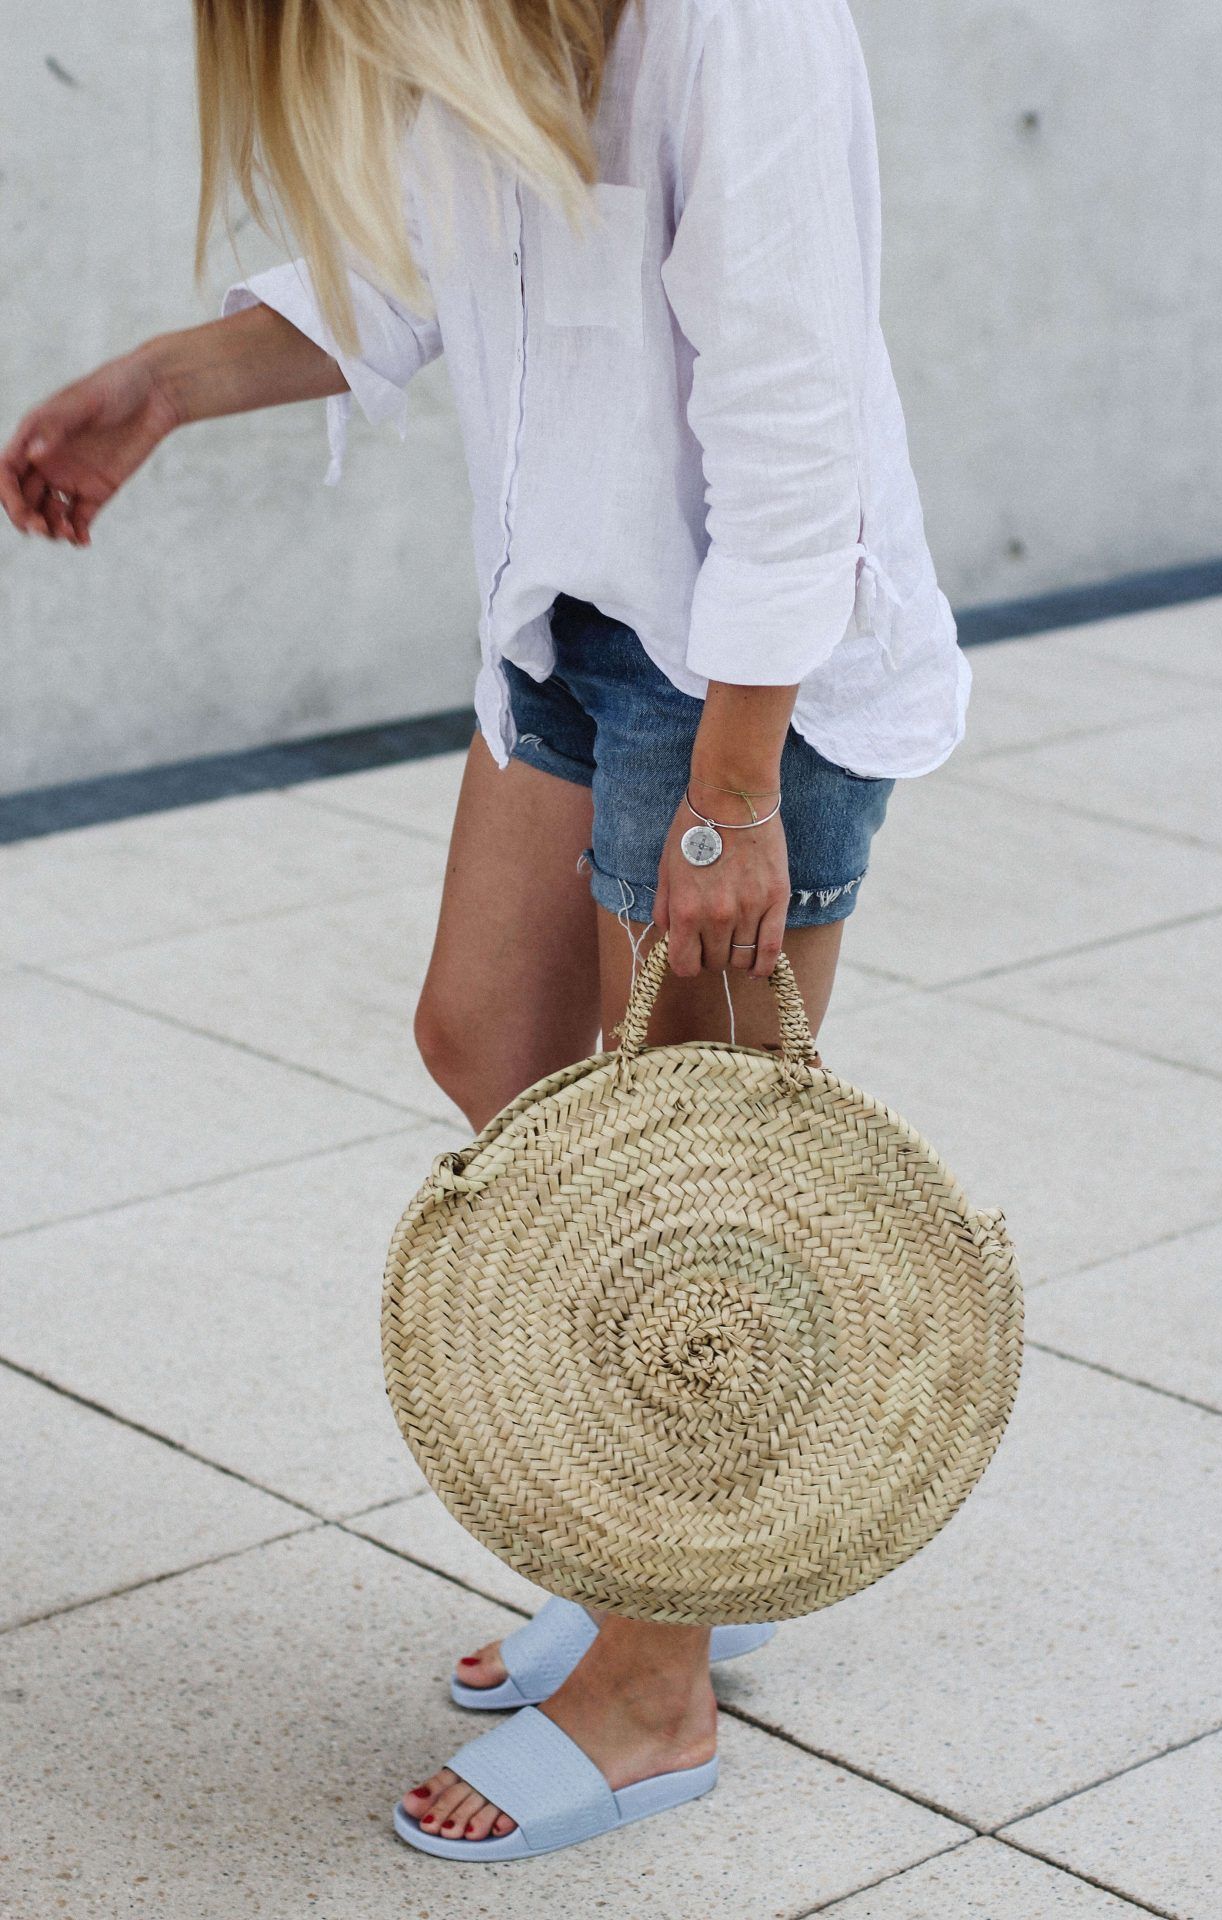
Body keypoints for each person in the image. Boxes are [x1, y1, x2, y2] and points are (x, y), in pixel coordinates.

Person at [1, 0, 971, 1864]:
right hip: (572, 624)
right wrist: (170, 381)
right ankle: (684, 1562)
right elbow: (420, 266)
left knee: (675, 1198)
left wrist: (739, 780)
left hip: (746, 665)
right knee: (488, 1048)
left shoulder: (730, 23)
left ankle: (653, 1681)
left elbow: (794, 411)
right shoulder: (492, 22)